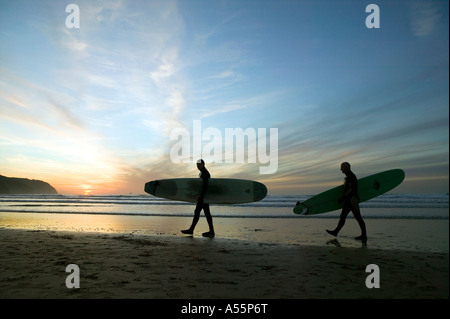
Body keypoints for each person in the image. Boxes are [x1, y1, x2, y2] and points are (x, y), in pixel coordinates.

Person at [326, 162, 367, 241]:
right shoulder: (348, 176)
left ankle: (364, 235)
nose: (341, 169)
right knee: (343, 216)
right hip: (348, 200)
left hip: (352, 200)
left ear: (347, 167)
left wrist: (343, 197)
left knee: (358, 217)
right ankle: (336, 231)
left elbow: (352, 189)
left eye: (342, 167)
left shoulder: (351, 176)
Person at [181, 159, 215, 238]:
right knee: (205, 213)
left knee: (199, 212)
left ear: (203, 164)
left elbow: (205, 186)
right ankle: (211, 231)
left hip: (203, 196)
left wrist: (202, 196)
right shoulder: (202, 173)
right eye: (197, 165)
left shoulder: (205, 173)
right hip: (203, 196)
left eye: (199, 165)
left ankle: (192, 229)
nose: (198, 166)